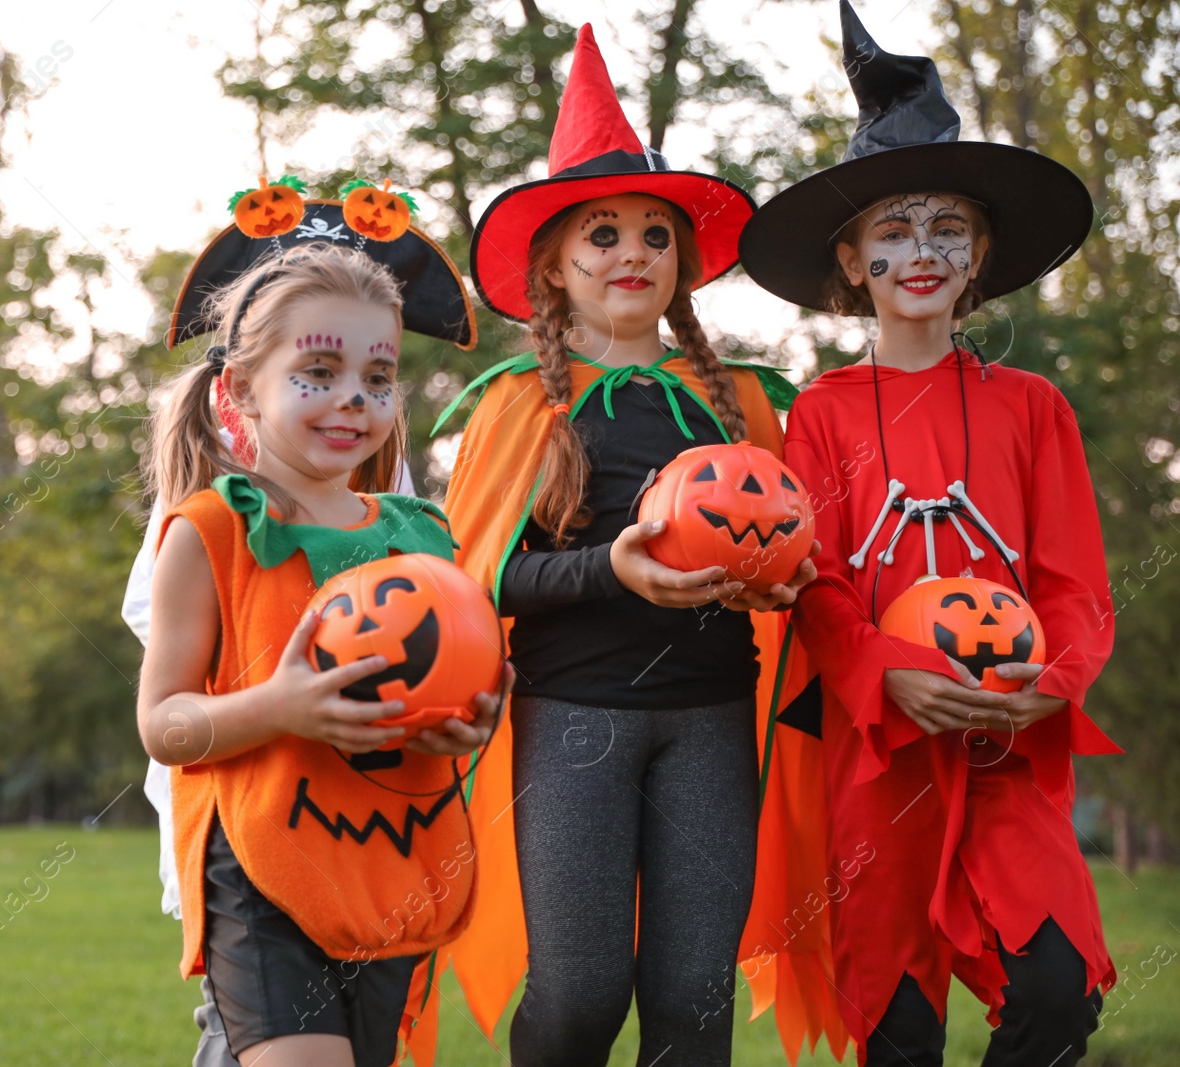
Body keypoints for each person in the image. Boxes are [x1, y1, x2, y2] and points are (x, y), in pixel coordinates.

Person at [736, 5, 1119, 1064]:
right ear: (851, 261)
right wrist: (886, 673)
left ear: (979, 254)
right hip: (879, 752)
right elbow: (814, 584)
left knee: (1052, 990)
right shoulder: (819, 413)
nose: (922, 249)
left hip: (1008, 742)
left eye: (947, 225)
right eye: (894, 229)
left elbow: (1074, 582)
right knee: (896, 1025)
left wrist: (1058, 672)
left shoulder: (1031, 407)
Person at [433, 25, 816, 1067]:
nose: (632, 253)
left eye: (654, 233)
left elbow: (781, 538)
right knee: (580, 994)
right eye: (601, 234)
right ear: (552, 265)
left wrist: (783, 581)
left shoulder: (737, 401)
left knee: (692, 1002)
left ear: (681, 259)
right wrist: (614, 567)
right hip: (575, 722)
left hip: (710, 718)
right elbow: (479, 580)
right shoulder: (519, 407)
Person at [140, 191, 506, 1067]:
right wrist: (280, 706)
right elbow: (164, 724)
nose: (354, 399)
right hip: (262, 866)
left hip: (388, 858)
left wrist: (474, 720)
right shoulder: (210, 532)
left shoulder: (420, 538)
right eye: (319, 373)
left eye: (377, 379)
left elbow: (452, 680)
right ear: (241, 390)